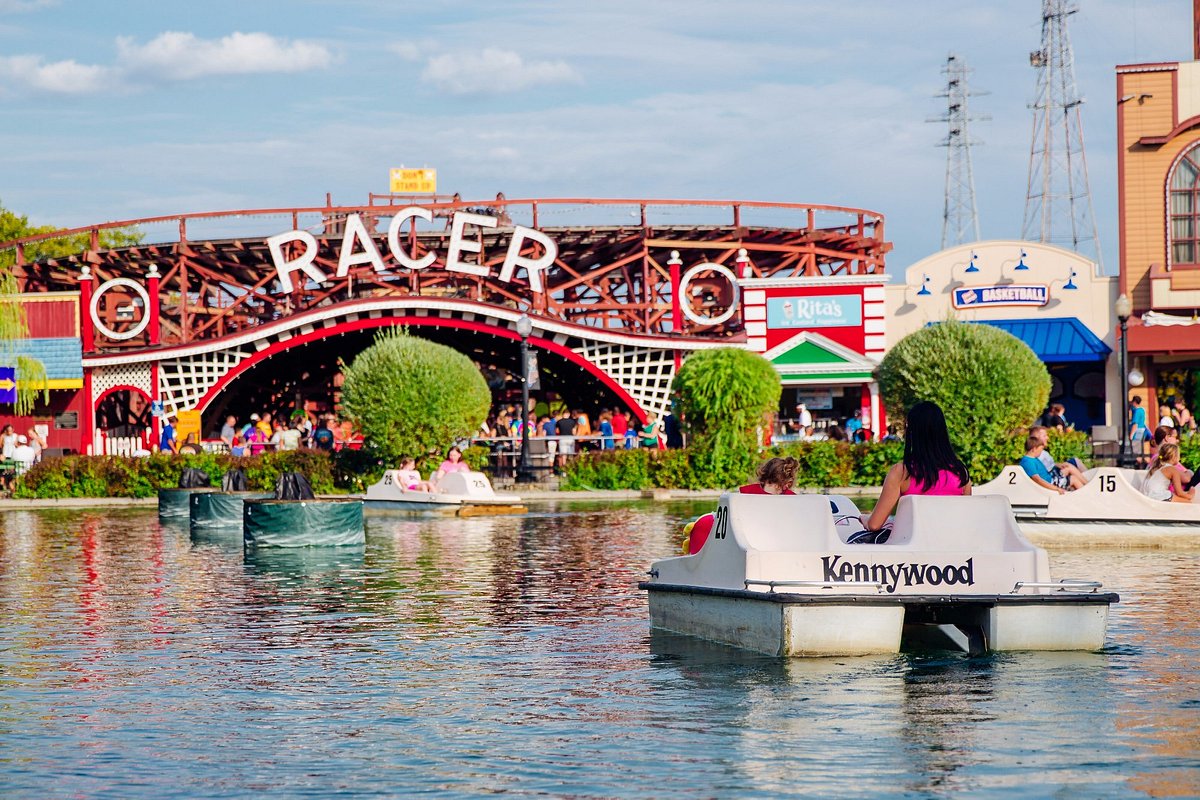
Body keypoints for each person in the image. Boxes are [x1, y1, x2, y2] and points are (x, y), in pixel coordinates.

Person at [861, 401, 972, 535]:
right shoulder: (961, 473)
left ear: (912, 432)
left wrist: (865, 519)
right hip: (952, 546)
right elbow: (966, 519)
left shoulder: (901, 472)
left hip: (912, 548)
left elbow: (874, 525)